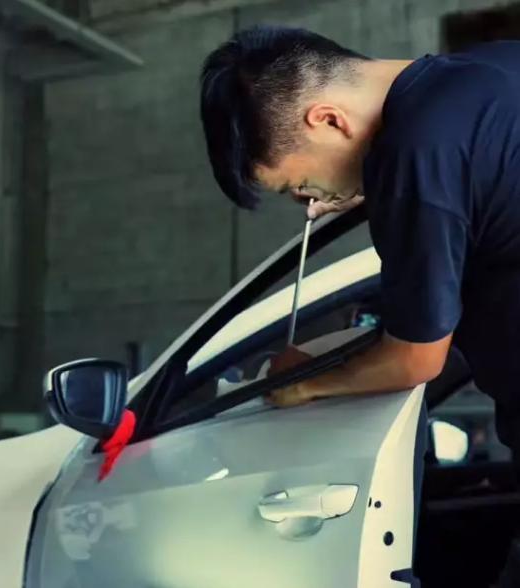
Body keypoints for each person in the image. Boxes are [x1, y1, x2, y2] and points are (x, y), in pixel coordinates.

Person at [199, 26, 520, 587]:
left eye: (299, 184)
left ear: (327, 119)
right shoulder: (489, 72)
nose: (312, 202)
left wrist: (302, 383)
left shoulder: (414, 156)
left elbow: (415, 358)